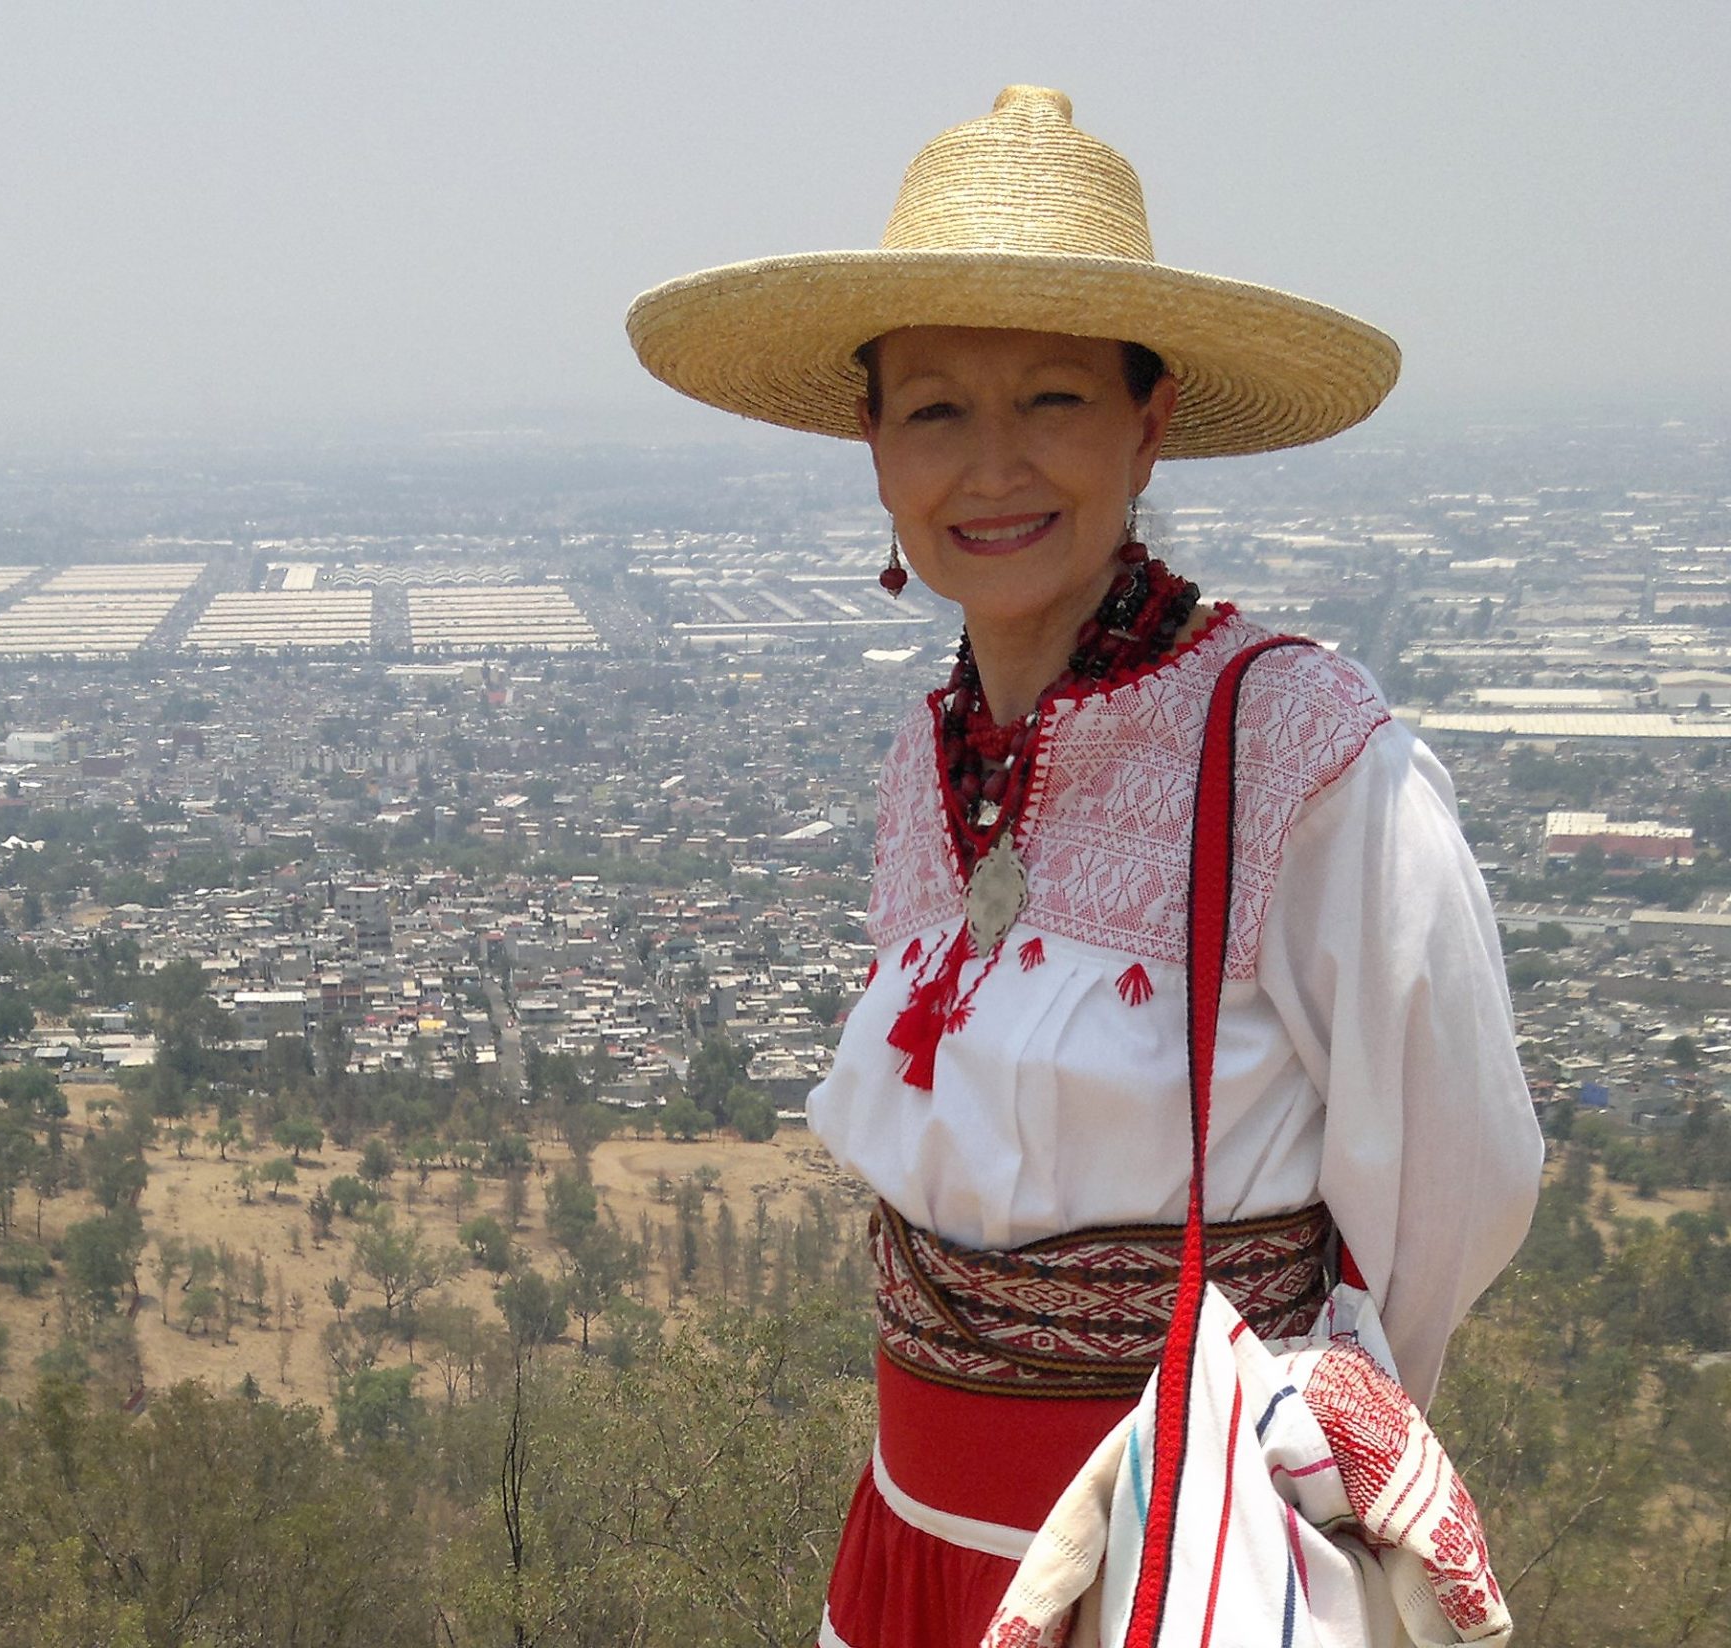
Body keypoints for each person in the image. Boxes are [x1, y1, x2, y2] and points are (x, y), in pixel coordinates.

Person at [627, 86, 1543, 1648]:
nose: (992, 468)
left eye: (1051, 400)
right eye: (932, 410)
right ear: (870, 446)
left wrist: (1310, 1440)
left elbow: (1457, 1183)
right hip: (913, 1543)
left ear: (1150, 419)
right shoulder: (930, 758)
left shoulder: (1299, 747)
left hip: (1176, 1566)